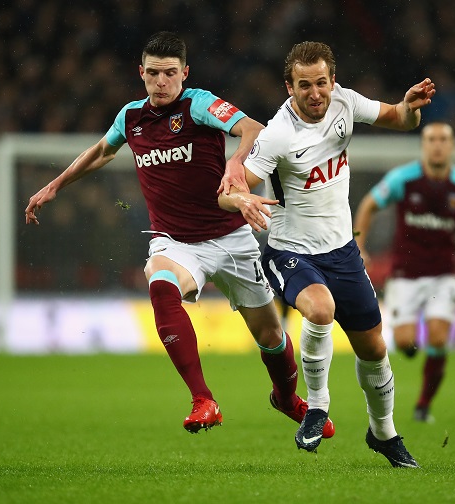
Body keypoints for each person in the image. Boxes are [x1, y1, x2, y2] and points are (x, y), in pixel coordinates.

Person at [24, 32, 335, 438]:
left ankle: (285, 397)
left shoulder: (199, 104)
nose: (161, 82)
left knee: (271, 336)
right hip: (176, 242)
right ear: (141, 73)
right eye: (153, 73)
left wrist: (236, 163)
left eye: (170, 73)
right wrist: (55, 186)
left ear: (184, 73)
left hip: (231, 235)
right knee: (160, 282)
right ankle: (203, 399)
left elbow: (254, 129)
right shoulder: (130, 117)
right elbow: (102, 151)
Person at [219, 41, 435, 469]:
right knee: (319, 309)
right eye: (304, 85)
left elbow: (399, 118)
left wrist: (409, 107)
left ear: (332, 81)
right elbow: (231, 189)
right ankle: (317, 408)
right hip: (292, 253)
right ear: (289, 87)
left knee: (374, 349)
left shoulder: (345, 103)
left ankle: (384, 433)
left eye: (321, 83)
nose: (315, 93)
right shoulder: (278, 134)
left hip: (343, 252)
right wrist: (242, 202)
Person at [354, 122, 455, 423]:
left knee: (439, 338)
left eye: (444, 139)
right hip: (405, 273)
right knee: (404, 342)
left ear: (453, 146)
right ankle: (412, 350)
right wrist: (359, 244)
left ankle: (423, 405)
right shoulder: (404, 178)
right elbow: (368, 205)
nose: (438, 145)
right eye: (432, 139)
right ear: (423, 145)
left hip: (444, 274)